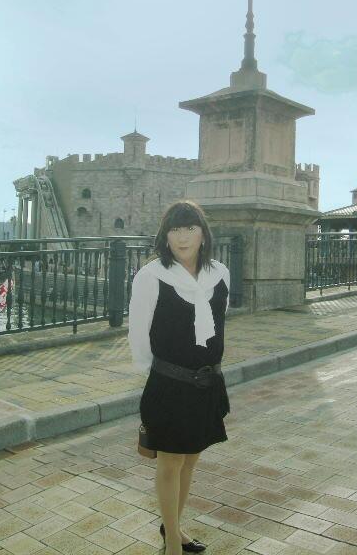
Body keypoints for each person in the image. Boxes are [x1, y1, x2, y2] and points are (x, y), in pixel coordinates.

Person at [128, 200, 231, 555]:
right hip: (169, 383)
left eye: (190, 228)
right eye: (174, 230)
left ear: (203, 234)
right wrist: (160, 377)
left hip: (208, 383)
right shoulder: (151, 276)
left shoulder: (220, 274)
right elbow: (138, 336)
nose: (182, 237)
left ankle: (173, 526)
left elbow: (219, 322)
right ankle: (172, 540)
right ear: (165, 236)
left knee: (190, 459)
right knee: (171, 462)